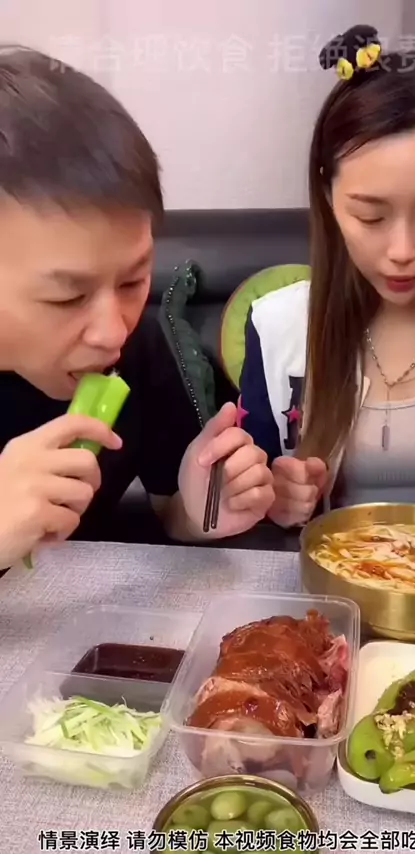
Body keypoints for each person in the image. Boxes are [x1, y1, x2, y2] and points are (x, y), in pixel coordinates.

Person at [0, 46, 275, 571]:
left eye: (133, 280)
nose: (112, 331)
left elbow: (170, 511)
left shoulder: (141, 347)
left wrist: (201, 509)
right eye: (68, 297)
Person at [239, 22, 415, 529]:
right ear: (328, 196)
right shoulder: (279, 327)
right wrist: (273, 499)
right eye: (370, 216)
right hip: (335, 575)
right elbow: (249, 498)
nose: (402, 252)